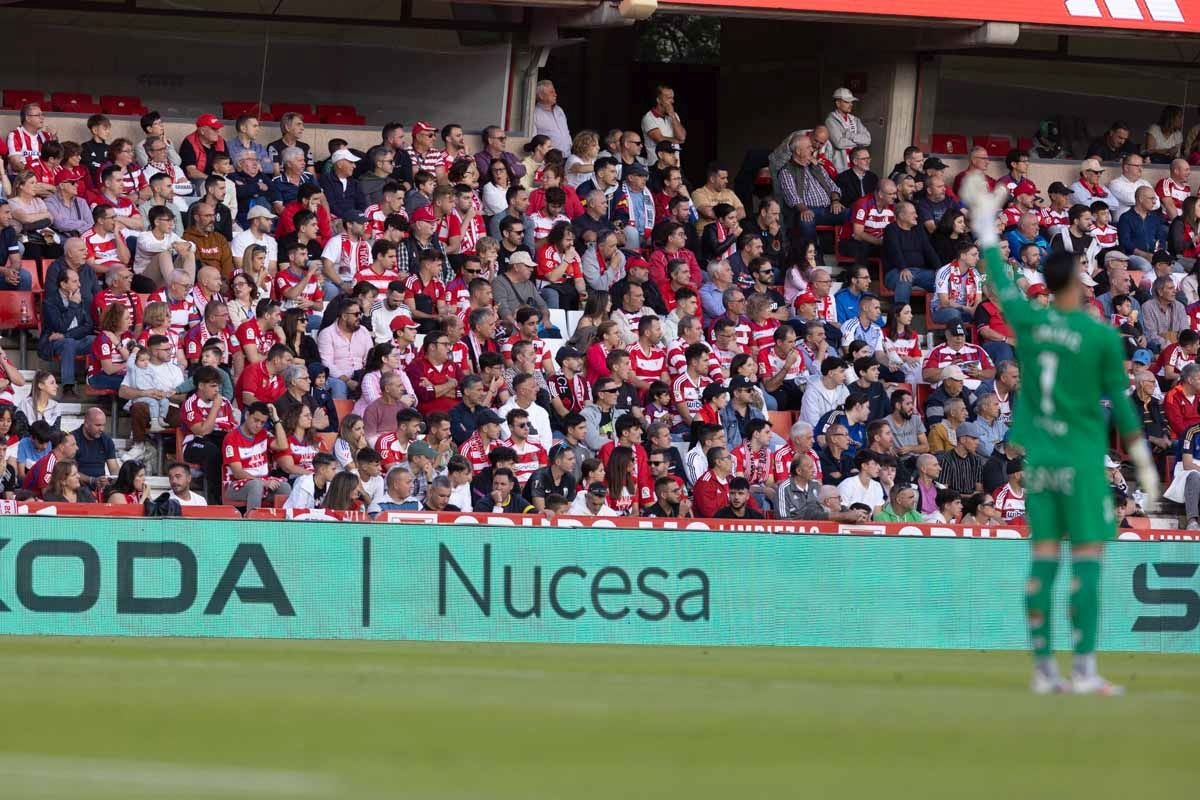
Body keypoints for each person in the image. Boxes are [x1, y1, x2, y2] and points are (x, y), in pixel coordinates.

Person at [963, 174, 1158, 695]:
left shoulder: (1028, 319)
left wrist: (986, 233)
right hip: (1081, 457)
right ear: (1075, 283)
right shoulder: (1098, 333)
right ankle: (1086, 668)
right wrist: (1142, 463)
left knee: (1044, 558)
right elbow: (1123, 403)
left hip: (1038, 460)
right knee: (1088, 560)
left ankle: (1044, 668)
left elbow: (1001, 285)